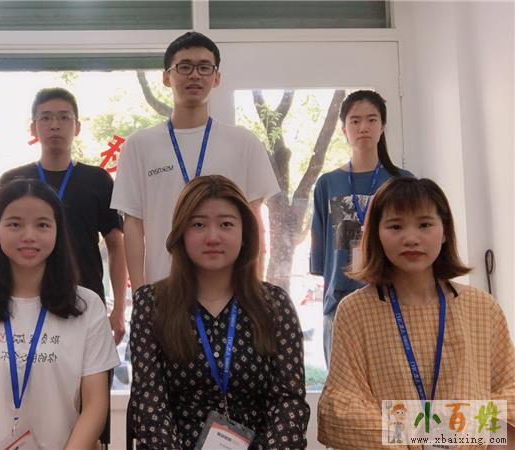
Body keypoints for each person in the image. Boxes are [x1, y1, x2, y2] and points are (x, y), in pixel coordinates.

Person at [317, 177, 515, 449]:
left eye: (425, 225)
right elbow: (340, 409)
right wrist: (448, 428)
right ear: (376, 233)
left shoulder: (482, 307)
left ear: (445, 231)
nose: (411, 239)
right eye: (395, 226)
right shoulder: (355, 311)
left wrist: (417, 427)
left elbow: (510, 393)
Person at [0, 179, 120, 449]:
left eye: (42, 225)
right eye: (15, 224)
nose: (29, 235)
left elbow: (95, 404)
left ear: (58, 231)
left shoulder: (87, 307)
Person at [129, 175, 309, 449]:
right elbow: (149, 403)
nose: (212, 237)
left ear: (245, 233)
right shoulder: (151, 304)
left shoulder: (275, 305)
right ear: (181, 233)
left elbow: (289, 401)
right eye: (198, 224)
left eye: (226, 224)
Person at [111, 31, 279, 289]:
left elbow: (255, 222)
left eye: (204, 67)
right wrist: (141, 293)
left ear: (217, 78)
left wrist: (254, 288)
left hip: (231, 292)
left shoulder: (244, 143)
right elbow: (133, 224)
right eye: (184, 66)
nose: (195, 75)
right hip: (163, 289)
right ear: (166, 77)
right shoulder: (139, 145)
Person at [0, 87, 127, 343]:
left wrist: (119, 309)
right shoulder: (13, 180)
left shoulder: (98, 180)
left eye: (64, 117)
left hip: (85, 301)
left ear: (77, 127)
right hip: (24, 301)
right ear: (33, 128)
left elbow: (116, 245)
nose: (55, 125)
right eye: (45, 117)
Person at [310, 89, 413, 365]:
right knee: (344, 383)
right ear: (344, 129)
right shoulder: (327, 184)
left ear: (383, 126)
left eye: (372, 119)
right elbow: (321, 252)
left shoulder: (402, 182)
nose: (363, 127)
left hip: (393, 297)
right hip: (340, 301)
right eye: (355, 121)